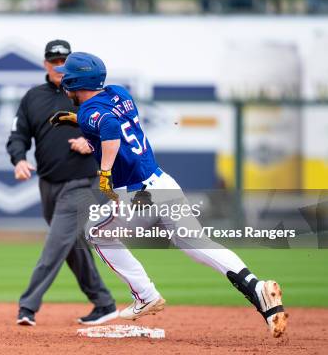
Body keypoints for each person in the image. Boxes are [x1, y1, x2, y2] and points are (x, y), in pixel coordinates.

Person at [50, 52, 287, 338]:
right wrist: (80, 120)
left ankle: (145, 295)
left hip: (138, 196)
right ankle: (257, 288)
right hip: (163, 183)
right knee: (196, 243)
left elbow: (110, 128)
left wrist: (104, 172)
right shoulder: (118, 93)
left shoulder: (91, 114)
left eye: (67, 76)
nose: (63, 80)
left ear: (75, 81)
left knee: (96, 233)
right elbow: (112, 119)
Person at [6, 40, 117, 327]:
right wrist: (18, 158)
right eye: (53, 60)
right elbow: (18, 135)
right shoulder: (33, 97)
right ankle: (103, 302)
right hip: (49, 183)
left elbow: (114, 131)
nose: (59, 65)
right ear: (45, 64)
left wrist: (90, 142)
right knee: (71, 245)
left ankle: (27, 306)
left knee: (55, 245)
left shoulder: (85, 95)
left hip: (84, 182)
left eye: (64, 60)